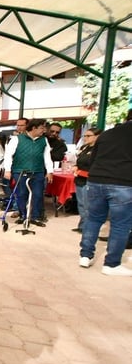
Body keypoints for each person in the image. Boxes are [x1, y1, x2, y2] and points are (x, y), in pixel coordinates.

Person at [78, 111, 132, 275]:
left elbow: (93, 158)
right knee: (120, 224)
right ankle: (111, 264)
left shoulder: (107, 134)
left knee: (93, 219)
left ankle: (85, 256)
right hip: (123, 182)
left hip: (96, 180)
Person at [2, 119, 52, 227]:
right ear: (34, 128)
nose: (44, 130)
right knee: (21, 194)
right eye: (42, 128)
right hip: (20, 171)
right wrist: (7, 170)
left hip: (38, 171)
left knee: (38, 195)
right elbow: (8, 155)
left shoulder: (44, 140)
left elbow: (47, 157)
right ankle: (23, 216)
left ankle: (35, 217)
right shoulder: (16, 139)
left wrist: (50, 171)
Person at [71, 128, 101, 233]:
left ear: (97, 136)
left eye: (89, 136)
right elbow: (79, 161)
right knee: (81, 204)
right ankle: (82, 225)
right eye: (85, 136)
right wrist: (75, 166)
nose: (85, 138)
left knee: (87, 205)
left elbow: (96, 167)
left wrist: (81, 172)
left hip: (89, 180)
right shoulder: (85, 148)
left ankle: (87, 227)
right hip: (79, 179)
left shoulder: (99, 150)